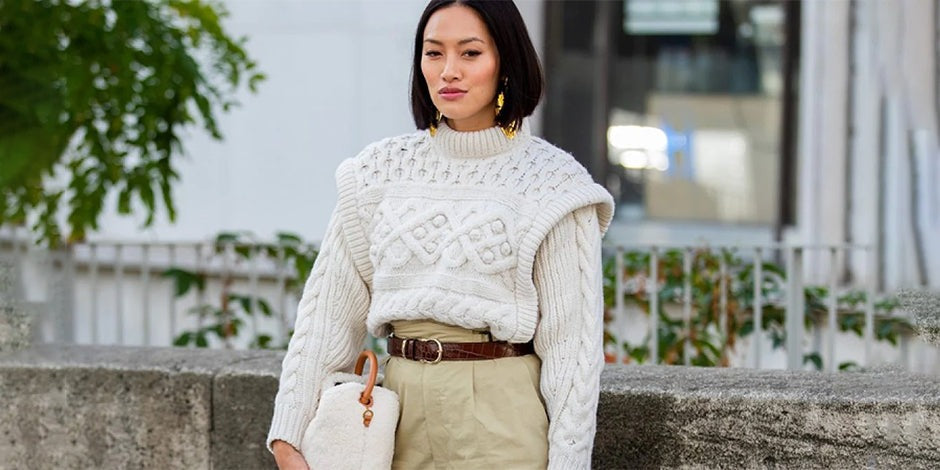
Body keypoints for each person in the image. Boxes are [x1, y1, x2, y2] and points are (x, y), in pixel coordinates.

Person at [268, 1, 614, 468]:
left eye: (470, 53)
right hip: (390, 417)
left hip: (501, 419)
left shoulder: (553, 182)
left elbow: (573, 353)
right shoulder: (376, 172)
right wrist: (288, 433)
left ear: (505, 61)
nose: (449, 71)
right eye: (434, 53)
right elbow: (327, 314)